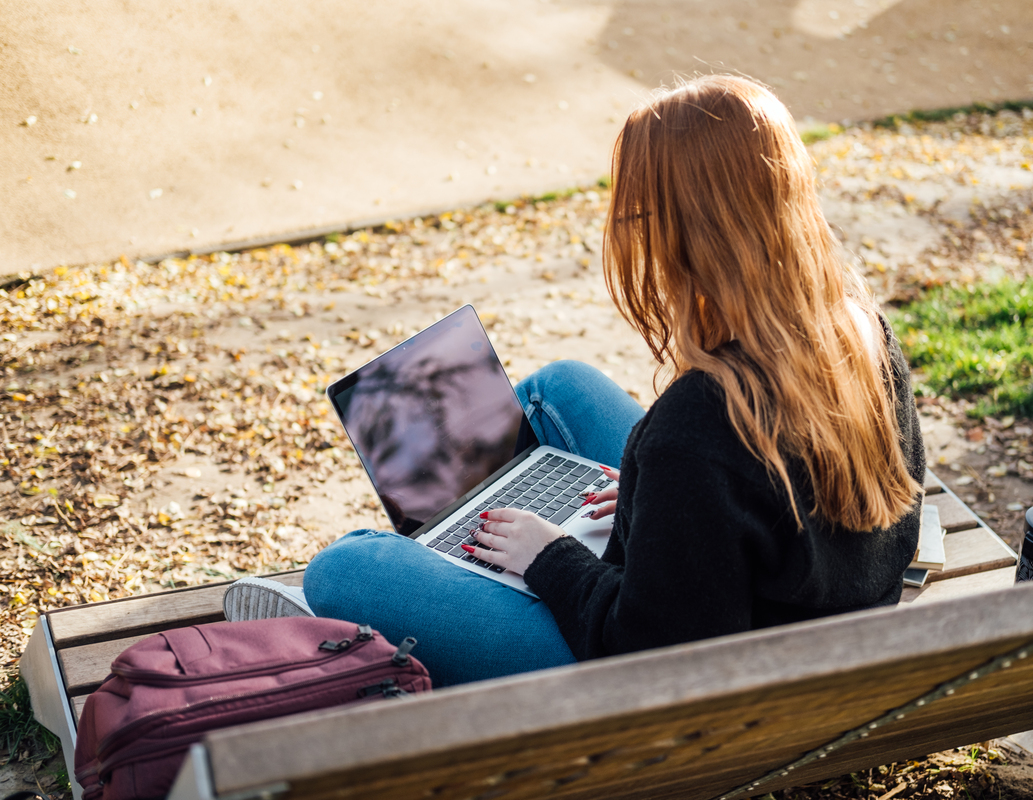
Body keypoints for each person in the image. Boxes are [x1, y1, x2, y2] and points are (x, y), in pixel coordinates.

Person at [229, 75, 925, 687]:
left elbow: (647, 656)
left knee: (345, 568)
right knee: (559, 386)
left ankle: (422, 595)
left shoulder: (697, 425)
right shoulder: (862, 334)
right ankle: (475, 544)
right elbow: (793, 503)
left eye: (637, 215)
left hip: (677, 689)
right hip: (809, 621)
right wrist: (670, 513)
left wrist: (551, 556)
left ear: (685, 235)